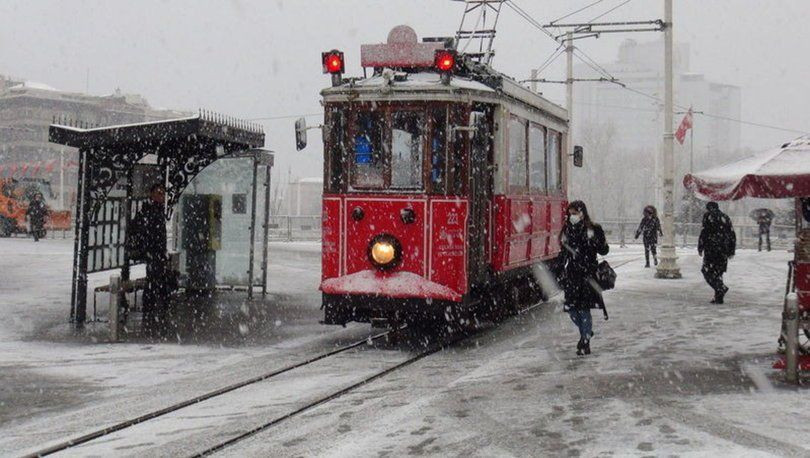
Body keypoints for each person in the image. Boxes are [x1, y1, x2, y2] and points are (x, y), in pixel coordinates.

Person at [560, 200, 610, 356]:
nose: (572, 216)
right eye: (570, 213)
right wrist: (560, 270)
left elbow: (604, 250)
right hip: (573, 275)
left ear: (582, 213)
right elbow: (564, 252)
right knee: (572, 310)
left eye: (574, 213)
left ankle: (585, 341)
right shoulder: (567, 229)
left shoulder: (593, 229)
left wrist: (595, 240)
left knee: (584, 309)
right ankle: (586, 332)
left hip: (588, 275)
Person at [130, 183, 169, 335]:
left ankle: (153, 308)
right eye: (159, 193)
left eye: (163, 194)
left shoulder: (156, 210)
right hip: (153, 252)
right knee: (154, 280)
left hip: (156, 252)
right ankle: (151, 309)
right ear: (151, 195)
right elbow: (144, 231)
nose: (162, 196)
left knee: (156, 280)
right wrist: (149, 248)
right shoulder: (149, 211)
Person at [698, 202, 736, 304]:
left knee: (707, 271)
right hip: (723, 249)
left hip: (711, 248)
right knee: (718, 273)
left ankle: (720, 288)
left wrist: (700, 247)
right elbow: (732, 234)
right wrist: (731, 250)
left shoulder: (708, 216)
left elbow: (704, 232)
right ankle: (719, 297)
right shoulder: (725, 217)